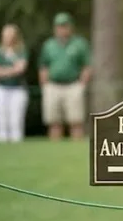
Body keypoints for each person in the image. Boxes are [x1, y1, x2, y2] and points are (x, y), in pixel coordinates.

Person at [38, 12, 92, 140]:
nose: (62, 29)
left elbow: (87, 66)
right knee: (54, 122)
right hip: (53, 86)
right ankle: (55, 154)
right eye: (59, 26)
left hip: (73, 85)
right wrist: (45, 85)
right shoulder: (49, 45)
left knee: (76, 121)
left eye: (64, 26)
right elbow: (43, 66)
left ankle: (76, 152)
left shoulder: (79, 44)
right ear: (55, 28)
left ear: (70, 27)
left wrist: (82, 84)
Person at [0, 24, 29, 143]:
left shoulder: (21, 51)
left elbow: (21, 69)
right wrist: (12, 70)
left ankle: (16, 145)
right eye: (6, 35)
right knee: (1, 119)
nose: (8, 38)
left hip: (18, 89)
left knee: (16, 120)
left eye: (11, 35)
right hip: (0, 89)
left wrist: (3, 71)